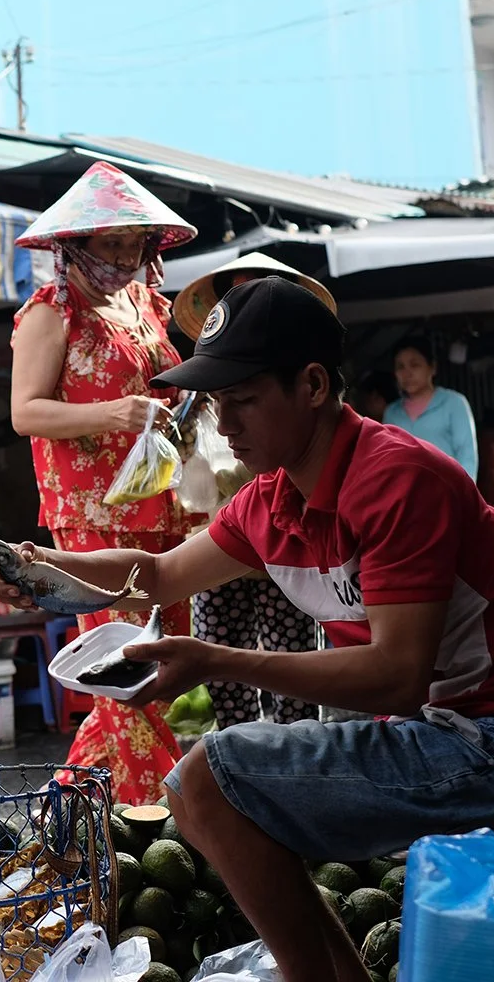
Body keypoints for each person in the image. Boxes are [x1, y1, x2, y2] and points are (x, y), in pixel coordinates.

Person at [0, 277, 494, 982]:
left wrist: (214, 659)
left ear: (313, 385)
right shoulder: (270, 499)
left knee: (207, 778)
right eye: (217, 403)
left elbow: (395, 676)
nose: (224, 424)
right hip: (441, 740)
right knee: (202, 788)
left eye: (243, 400)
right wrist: (38, 566)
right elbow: (158, 574)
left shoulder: (396, 479)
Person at [9, 160, 198, 804]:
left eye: (133, 243)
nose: (122, 256)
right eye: (110, 242)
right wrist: (114, 413)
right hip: (94, 516)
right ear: (76, 244)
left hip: (167, 508)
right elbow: (25, 413)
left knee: (160, 665)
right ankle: (168, 813)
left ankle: (67, 822)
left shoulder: (147, 304)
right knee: (132, 672)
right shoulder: (50, 312)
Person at [175, 253, 329, 728]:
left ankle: (294, 754)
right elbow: (183, 466)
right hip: (219, 543)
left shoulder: (298, 400)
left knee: (296, 674)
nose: (227, 422)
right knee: (222, 677)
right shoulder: (198, 394)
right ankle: (241, 755)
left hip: (282, 547)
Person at [383, 336, 479, 479]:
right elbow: (388, 459)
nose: (407, 373)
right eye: (400, 367)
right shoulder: (391, 413)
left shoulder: (453, 403)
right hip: (406, 491)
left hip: (447, 489)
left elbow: (467, 456)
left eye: (415, 365)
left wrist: (464, 491)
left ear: (432, 368)